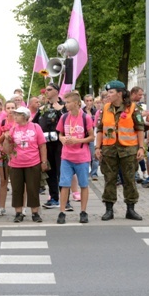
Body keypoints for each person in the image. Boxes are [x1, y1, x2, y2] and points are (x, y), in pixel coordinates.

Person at [95, 80, 146, 221]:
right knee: (109, 179)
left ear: (120, 93)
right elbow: (100, 129)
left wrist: (141, 148)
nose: (108, 95)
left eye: (111, 92)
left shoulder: (133, 108)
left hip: (128, 150)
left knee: (129, 179)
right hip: (109, 150)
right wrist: (97, 147)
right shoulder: (105, 108)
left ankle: (131, 209)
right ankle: (109, 209)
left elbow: (140, 129)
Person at [55, 92, 95, 224]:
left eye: (68, 102)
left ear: (77, 103)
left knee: (83, 184)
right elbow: (60, 133)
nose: (65, 105)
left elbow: (91, 137)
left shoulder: (85, 118)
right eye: (65, 102)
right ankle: (62, 212)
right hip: (66, 156)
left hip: (82, 157)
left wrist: (77, 140)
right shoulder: (64, 117)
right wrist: (62, 139)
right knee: (64, 184)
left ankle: (83, 211)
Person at [7, 106, 47, 222]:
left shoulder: (35, 127)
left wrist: (43, 161)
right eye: (15, 114)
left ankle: (35, 212)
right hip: (16, 163)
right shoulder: (13, 129)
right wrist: (7, 140)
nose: (15, 117)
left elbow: (42, 145)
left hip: (32, 162)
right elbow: (8, 150)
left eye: (17, 114)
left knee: (33, 188)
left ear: (24, 116)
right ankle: (18, 212)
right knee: (17, 189)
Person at [33, 82, 66, 210]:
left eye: (49, 89)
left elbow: (68, 120)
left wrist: (60, 110)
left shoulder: (63, 106)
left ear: (57, 91)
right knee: (50, 171)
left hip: (60, 144)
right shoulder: (43, 108)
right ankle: (54, 197)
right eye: (46, 90)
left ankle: (65, 199)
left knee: (61, 172)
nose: (46, 92)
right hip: (46, 144)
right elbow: (34, 123)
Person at [0, 101, 17, 217]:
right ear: (5, 109)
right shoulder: (2, 122)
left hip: (16, 154)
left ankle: (20, 208)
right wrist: (4, 135)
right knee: (3, 181)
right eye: (8, 108)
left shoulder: (19, 122)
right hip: (2, 154)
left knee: (18, 182)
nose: (11, 110)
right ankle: (2, 207)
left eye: (13, 107)